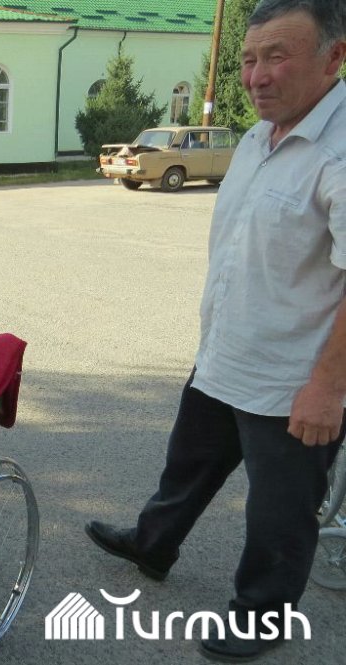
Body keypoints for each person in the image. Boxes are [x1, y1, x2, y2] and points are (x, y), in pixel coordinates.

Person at [85, 1, 346, 662]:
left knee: (279, 514)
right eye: (250, 59)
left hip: (293, 382)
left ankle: (262, 617)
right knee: (188, 464)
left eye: (278, 56)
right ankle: (153, 544)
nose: (257, 75)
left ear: (335, 57)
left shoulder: (339, 152)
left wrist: (328, 387)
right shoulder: (259, 136)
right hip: (225, 353)